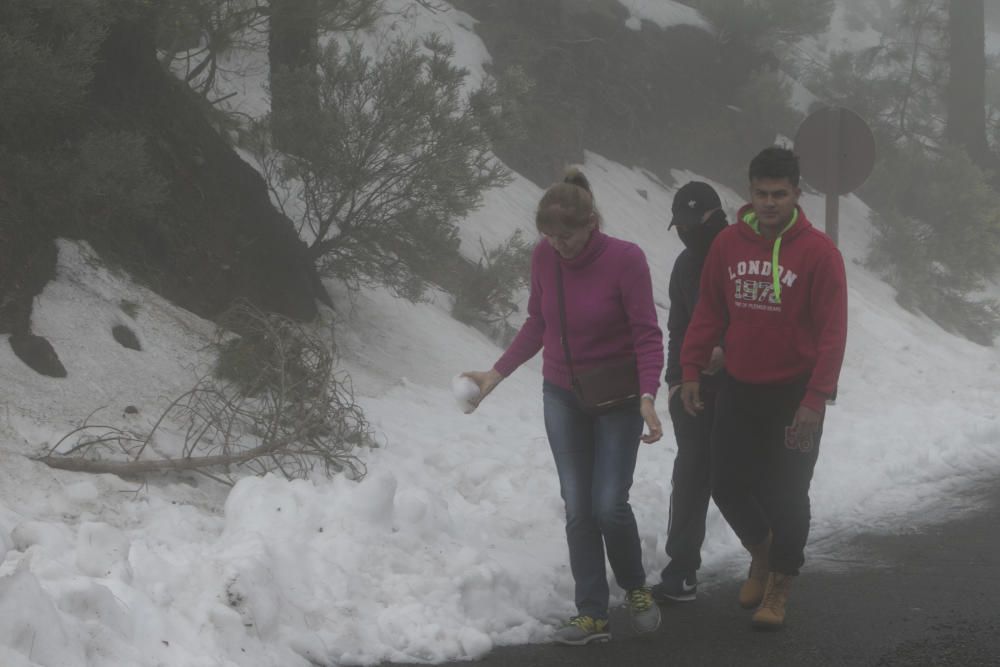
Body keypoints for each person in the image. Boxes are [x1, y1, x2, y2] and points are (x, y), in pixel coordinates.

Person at [462, 167, 665, 645]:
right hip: (562, 395)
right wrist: (496, 373)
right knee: (577, 508)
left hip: (617, 397)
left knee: (609, 505)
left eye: (567, 235)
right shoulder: (543, 257)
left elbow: (646, 334)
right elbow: (538, 322)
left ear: (591, 221)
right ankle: (591, 613)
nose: (559, 245)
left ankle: (636, 587)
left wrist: (649, 395)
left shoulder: (625, 259)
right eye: (550, 236)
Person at [679, 147, 848, 630]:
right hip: (739, 387)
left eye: (779, 194)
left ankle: (779, 586)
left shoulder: (820, 254)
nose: (769, 202)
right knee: (727, 483)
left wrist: (816, 399)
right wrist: (691, 368)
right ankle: (762, 551)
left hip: (795, 396)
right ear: (749, 193)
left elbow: (833, 333)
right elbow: (709, 309)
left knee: (788, 493)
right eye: (761, 193)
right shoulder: (729, 244)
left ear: (796, 194)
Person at [650, 181, 728, 604]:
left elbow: (765, 321)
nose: (684, 231)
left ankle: (769, 561)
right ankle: (681, 570)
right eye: (677, 225)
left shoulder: (740, 254)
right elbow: (677, 326)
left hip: (745, 387)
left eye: (691, 223)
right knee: (691, 473)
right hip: (693, 388)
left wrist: (727, 352)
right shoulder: (684, 265)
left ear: (713, 216)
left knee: (743, 477)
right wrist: (675, 379)